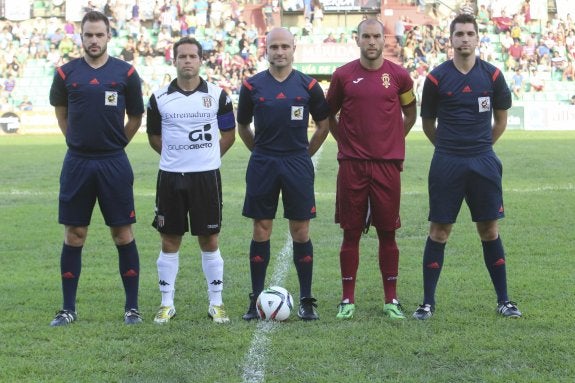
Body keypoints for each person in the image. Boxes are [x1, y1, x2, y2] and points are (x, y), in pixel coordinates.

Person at [413, 13, 522, 321]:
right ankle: (427, 303)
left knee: (489, 230)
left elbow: (500, 121)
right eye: (458, 34)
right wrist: (449, 149)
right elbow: (428, 123)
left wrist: (480, 148)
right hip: (447, 161)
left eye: (469, 34)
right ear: (451, 39)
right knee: (439, 231)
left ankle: (504, 301)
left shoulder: (493, 76)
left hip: (483, 161)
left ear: (477, 39)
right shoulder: (436, 78)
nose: (464, 39)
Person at [48, 11, 145, 326]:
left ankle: (132, 308)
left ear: (108, 36)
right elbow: (62, 115)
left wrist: (116, 144)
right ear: (81, 36)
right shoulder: (65, 74)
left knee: (122, 232)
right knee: (75, 234)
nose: (93, 40)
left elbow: (135, 117)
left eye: (99, 35)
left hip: (113, 162)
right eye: (88, 35)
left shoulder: (126, 73)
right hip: (77, 162)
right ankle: (67, 308)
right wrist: (77, 142)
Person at [236, 27, 330, 321]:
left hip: (296, 164)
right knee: (261, 228)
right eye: (274, 46)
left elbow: (324, 126)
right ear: (266, 49)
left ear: (293, 49)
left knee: (300, 230)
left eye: (284, 46)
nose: (279, 52)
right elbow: (243, 127)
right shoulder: (252, 86)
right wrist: (261, 152)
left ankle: (306, 299)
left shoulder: (309, 86)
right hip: (263, 163)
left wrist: (304, 155)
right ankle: (255, 298)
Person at [325, 18, 417, 320]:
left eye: (377, 36)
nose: (372, 42)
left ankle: (391, 299)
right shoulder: (342, 76)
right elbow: (329, 116)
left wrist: (393, 140)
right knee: (350, 233)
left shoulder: (400, 76)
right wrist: (346, 143)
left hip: (387, 167)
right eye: (366, 36)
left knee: (387, 233)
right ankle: (347, 299)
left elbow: (410, 112)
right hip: (352, 166)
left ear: (384, 39)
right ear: (358, 39)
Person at [146, 37, 236, 324]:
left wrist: (208, 158)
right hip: (171, 178)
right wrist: (177, 157)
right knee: (169, 239)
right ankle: (166, 304)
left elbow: (229, 135)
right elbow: (154, 138)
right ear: (174, 61)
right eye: (181, 56)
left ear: (201, 60)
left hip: (206, 179)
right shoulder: (158, 98)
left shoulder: (218, 95)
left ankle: (216, 304)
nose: (187, 61)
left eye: (192, 56)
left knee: (209, 238)